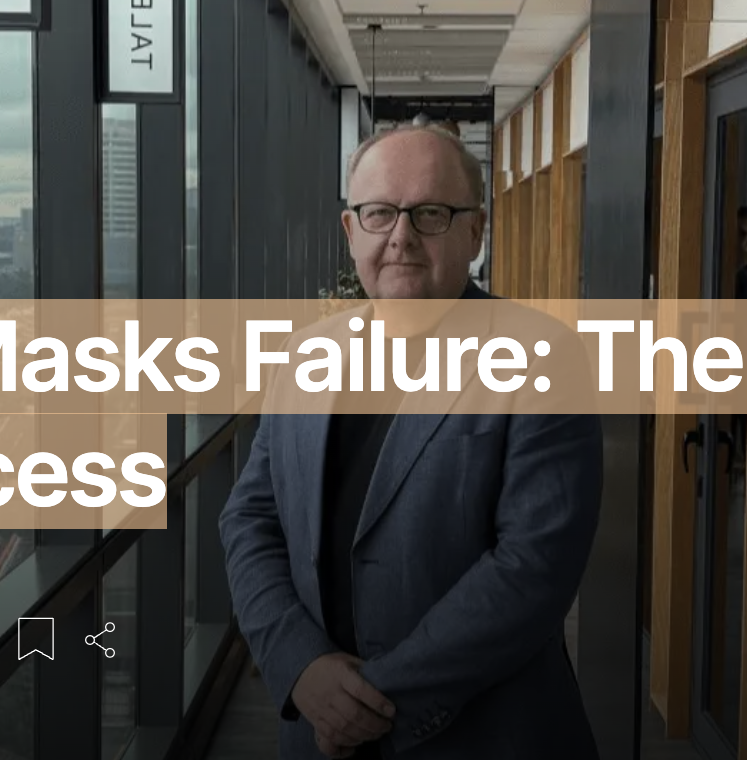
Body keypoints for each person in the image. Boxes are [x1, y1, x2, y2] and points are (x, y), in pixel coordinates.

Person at [220, 125, 605, 758]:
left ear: (474, 232)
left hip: (481, 736)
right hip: (314, 728)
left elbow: (532, 569)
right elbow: (249, 519)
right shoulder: (305, 354)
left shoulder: (543, 357)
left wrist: (365, 703)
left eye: (430, 213)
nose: (400, 237)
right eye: (379, 213)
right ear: (351, 232)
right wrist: (301, 667)